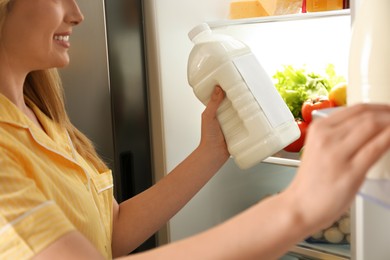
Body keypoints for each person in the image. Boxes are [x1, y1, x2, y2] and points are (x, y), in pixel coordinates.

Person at [0, 0, 389, 259]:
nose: (77, 13)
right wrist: (295, 208)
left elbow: (111, 232)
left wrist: (211, 152)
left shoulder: (41, 117)